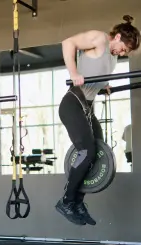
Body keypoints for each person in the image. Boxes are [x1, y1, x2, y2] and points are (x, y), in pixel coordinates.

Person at [55, 15, 141, 226]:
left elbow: (94, 74)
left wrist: (104, 86)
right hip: (73, 103)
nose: (121, 53)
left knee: (98, 151)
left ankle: (77, 202)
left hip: (87, 108)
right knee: (87, 151)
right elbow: (68, 42)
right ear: (117, 36)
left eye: (125, 53)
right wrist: (73, 72)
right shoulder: (100, 39)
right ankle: (66, 201)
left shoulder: (111, 58)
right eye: (122, 48)